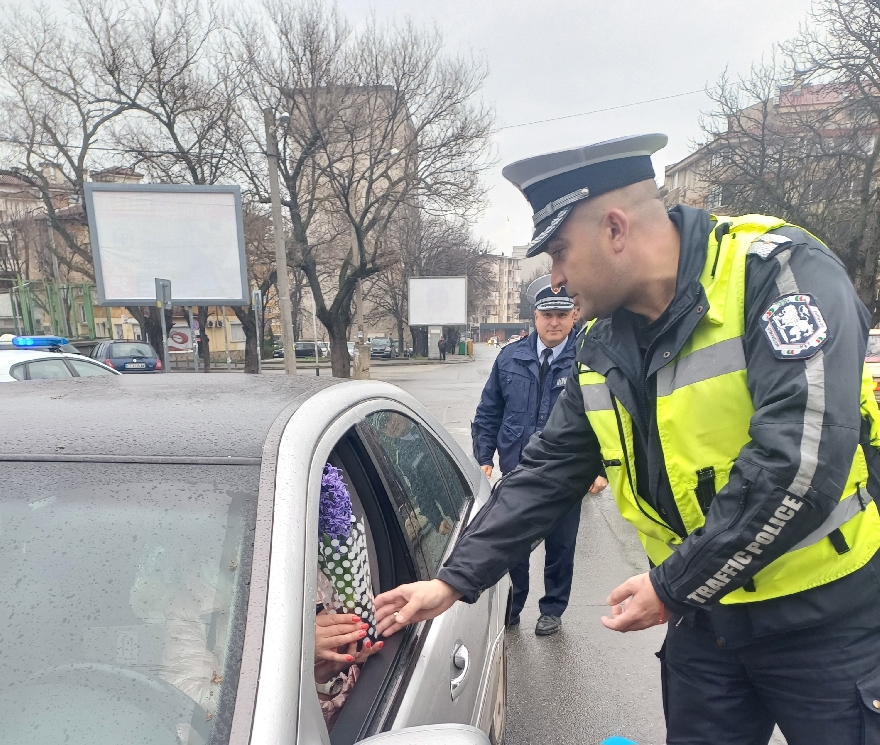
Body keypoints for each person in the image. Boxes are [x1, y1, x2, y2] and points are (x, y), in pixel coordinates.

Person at [374, 133, 880, 745]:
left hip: (826, 622)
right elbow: (545, 472)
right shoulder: (602, 343)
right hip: (706, 627)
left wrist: (673, 586)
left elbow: (798, 464)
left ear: (615, 229)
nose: (554, 276)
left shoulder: (776, 275)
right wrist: (452, 580)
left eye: (560, 251)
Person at [472, 277, 606, 635]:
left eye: (562, 315)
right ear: (534, 316)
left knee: (560, 546)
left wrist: (601, 468)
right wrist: (484, 455)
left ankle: (552, 609)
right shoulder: (510, 357)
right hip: (518, 468)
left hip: (568, 472)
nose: (554, 322)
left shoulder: (588, 360)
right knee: (513, 542)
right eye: (547, 314)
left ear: (574, 315)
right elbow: (489, 411)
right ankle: (513, 605)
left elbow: (606, 419)